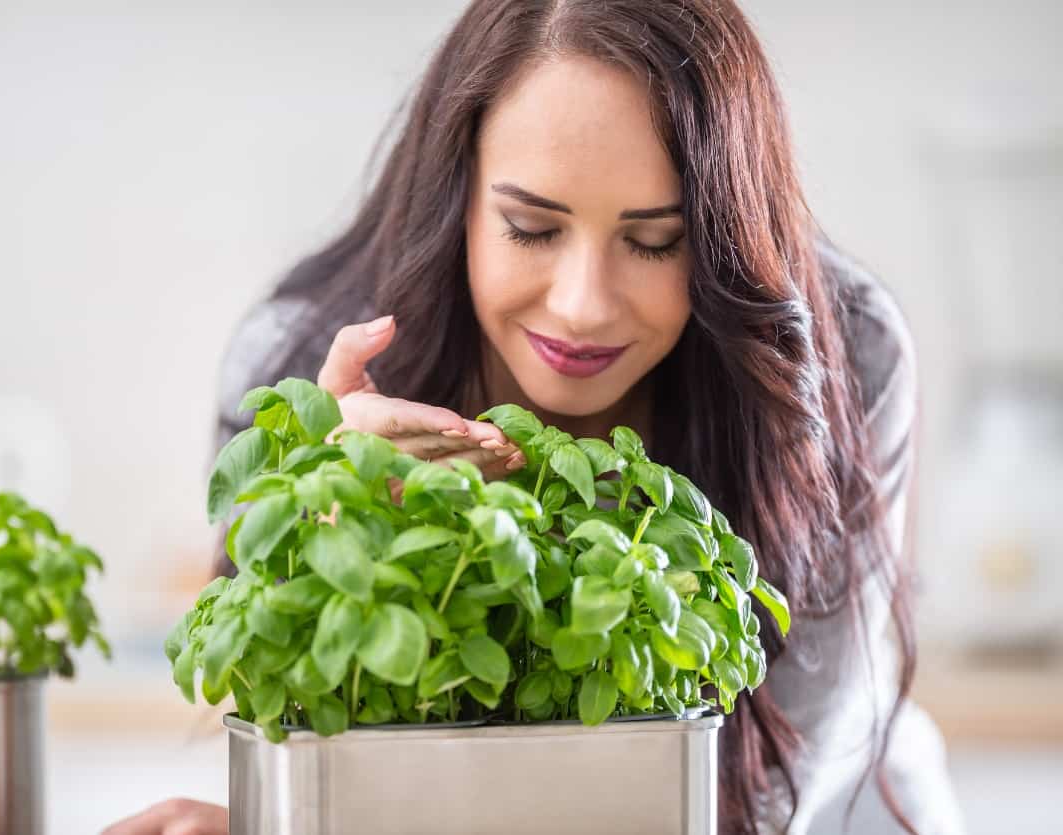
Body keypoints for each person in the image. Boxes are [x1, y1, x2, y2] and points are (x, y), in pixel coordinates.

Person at [105, 0, 965, 832]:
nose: (584, 306)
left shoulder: (846, 351)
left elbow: (775, 792)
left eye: (656, 240)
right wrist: (331, 515)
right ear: (459, 196)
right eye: (530, 227)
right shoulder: (291, 363)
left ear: (720, 230)